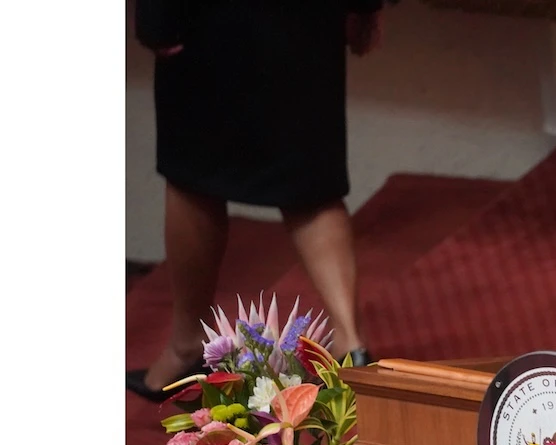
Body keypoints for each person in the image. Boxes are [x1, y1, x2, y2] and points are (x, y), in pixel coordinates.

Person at [127, 0, 386, 402]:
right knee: (311, 182)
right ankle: (351, 345)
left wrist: (157, 17)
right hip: (305, 17)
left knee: (193, 173)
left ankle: (185, 345)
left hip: (207, 18)